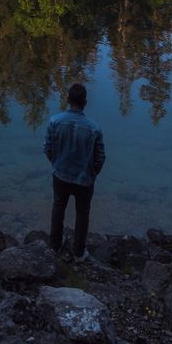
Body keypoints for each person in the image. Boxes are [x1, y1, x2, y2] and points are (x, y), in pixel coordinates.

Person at [43, 82, 106, 259]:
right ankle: (78, 252)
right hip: (84, 180)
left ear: (68, 100)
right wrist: (92, 173)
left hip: (60, 175)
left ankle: (54, 246)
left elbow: (47, 148)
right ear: (85, 102)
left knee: (58, 207)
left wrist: (56, 164)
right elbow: (100, 158)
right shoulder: (94, 128)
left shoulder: (55, 121)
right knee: (82, 213)